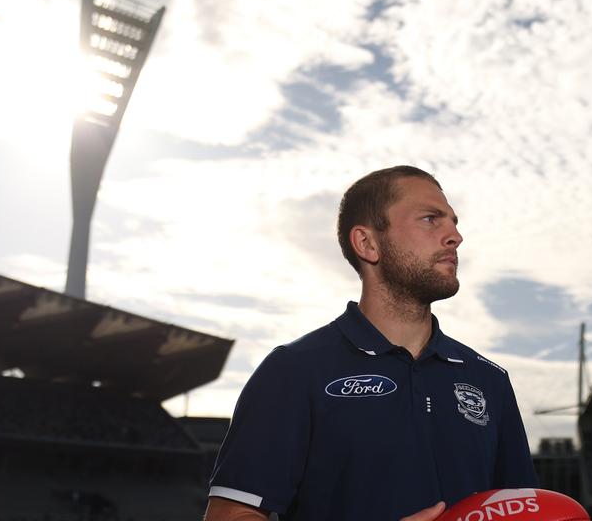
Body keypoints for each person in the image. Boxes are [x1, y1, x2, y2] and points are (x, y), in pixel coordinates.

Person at [204, 166, 537, 521]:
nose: (455, 236)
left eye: (453, 222)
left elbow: (524, 511)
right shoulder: (294, 370)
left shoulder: (490, 381)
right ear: (367, 243)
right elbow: (231, 515)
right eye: (430, 219)